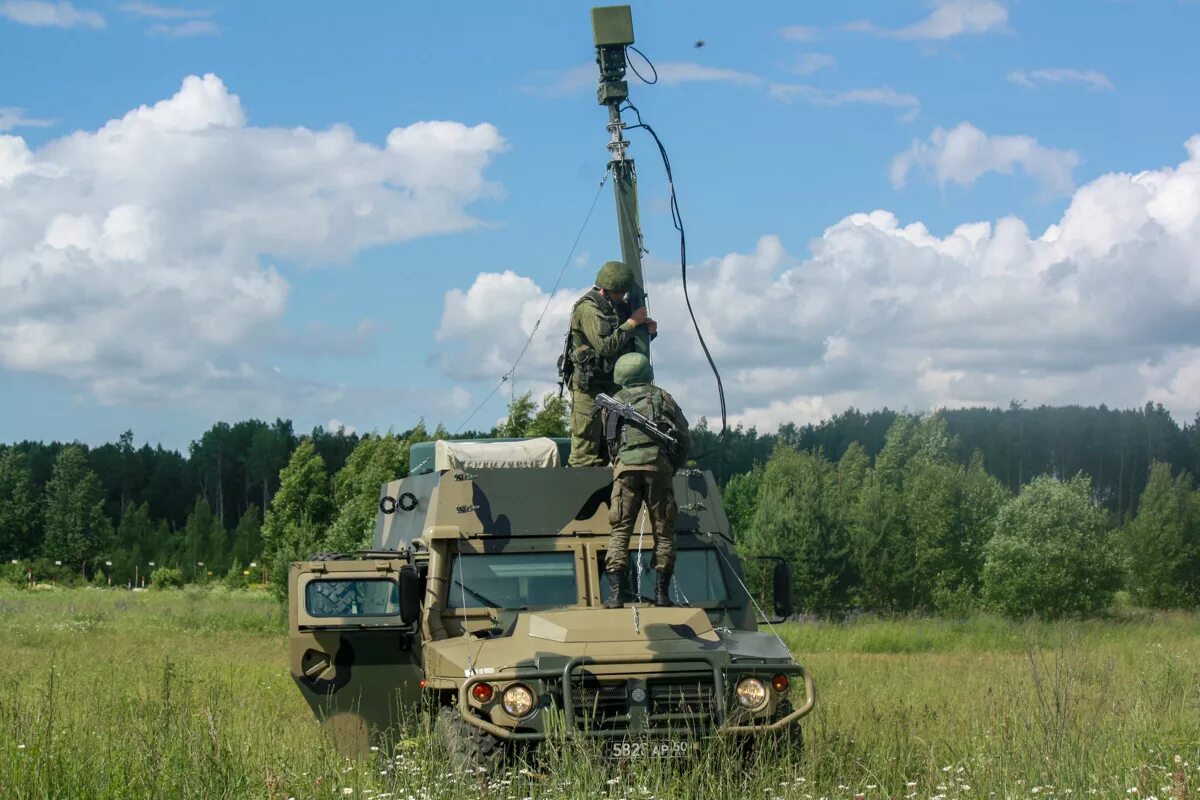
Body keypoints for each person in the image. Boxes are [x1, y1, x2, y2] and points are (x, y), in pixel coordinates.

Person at [601, 352, 689, 608]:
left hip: (626, 470)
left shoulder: (614, 402)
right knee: (663, 531)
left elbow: (610, 441)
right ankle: (662, 595)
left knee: (620, 531)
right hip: (658, 469)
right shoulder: (663, 397)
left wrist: (620, 463)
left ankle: (616, 595)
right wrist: (672, 465)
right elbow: (683, 437)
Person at [565, 261, 655, 467]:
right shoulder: (588, 308)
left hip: (611, 384)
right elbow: (606, 346)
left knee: (612, 439)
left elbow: (623, 340)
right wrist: (632, 323)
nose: (622, 297)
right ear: (606, 289)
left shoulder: (616, 308)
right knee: (586, 447)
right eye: (619, 292)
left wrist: (645, 330)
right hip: (589, 387)